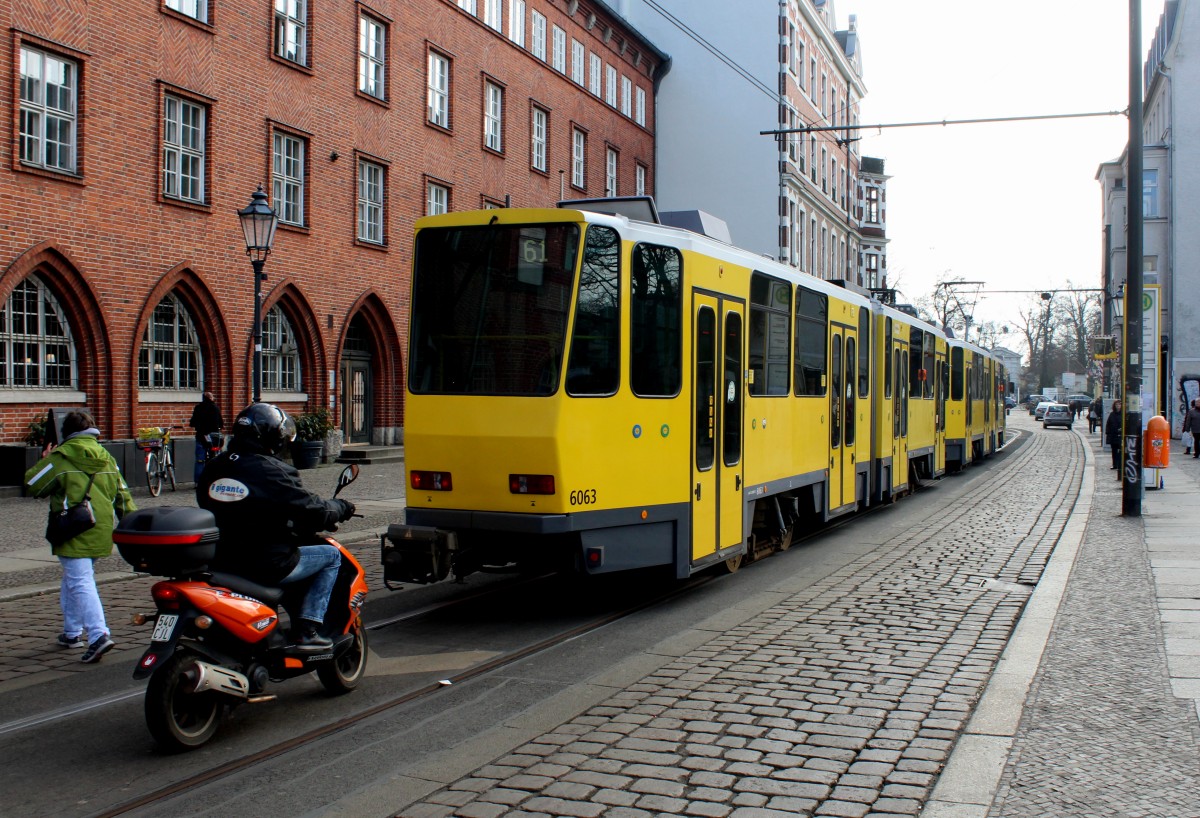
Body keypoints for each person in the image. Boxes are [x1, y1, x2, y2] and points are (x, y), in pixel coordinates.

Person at [197, 403, 355, 649]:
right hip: (266, 561)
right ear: (273, 437)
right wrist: (341, 507)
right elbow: (312, 509)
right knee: (331, 556)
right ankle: (308, 629)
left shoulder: (215, 466)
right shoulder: (272, 470)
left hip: (222, 559)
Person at [25, 410, 136, 663]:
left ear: (66, 432)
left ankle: (98, 634)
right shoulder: (106, 457)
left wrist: (46, 459)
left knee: (80, 581)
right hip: (101, 527)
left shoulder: (60, 457)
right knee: (74, 579)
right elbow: (123, 495)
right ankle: (72, 632)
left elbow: (33, 485)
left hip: (72, 528)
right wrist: (132, 525)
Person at [189, 391, 224, 482]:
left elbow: (192, 422)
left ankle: (198, 481)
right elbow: (220, 423)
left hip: (201, 436)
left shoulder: (198, 408)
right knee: (215, 457)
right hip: (213, 437)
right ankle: (214, 478)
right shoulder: (215, 408)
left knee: (200, 459)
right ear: (211, 398)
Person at [1106, 400, 1123, 476]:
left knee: (1120, 450)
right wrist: (1108, 433)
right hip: (1113, 435)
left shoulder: (1123, 414)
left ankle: (1119, 464)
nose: (1118, 406)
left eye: (1119, 404)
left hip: (1120, 435)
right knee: (1114, 451)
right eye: (1116, 405)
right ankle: (1115, 464)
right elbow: (1108, 424)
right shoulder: (1112, 414)